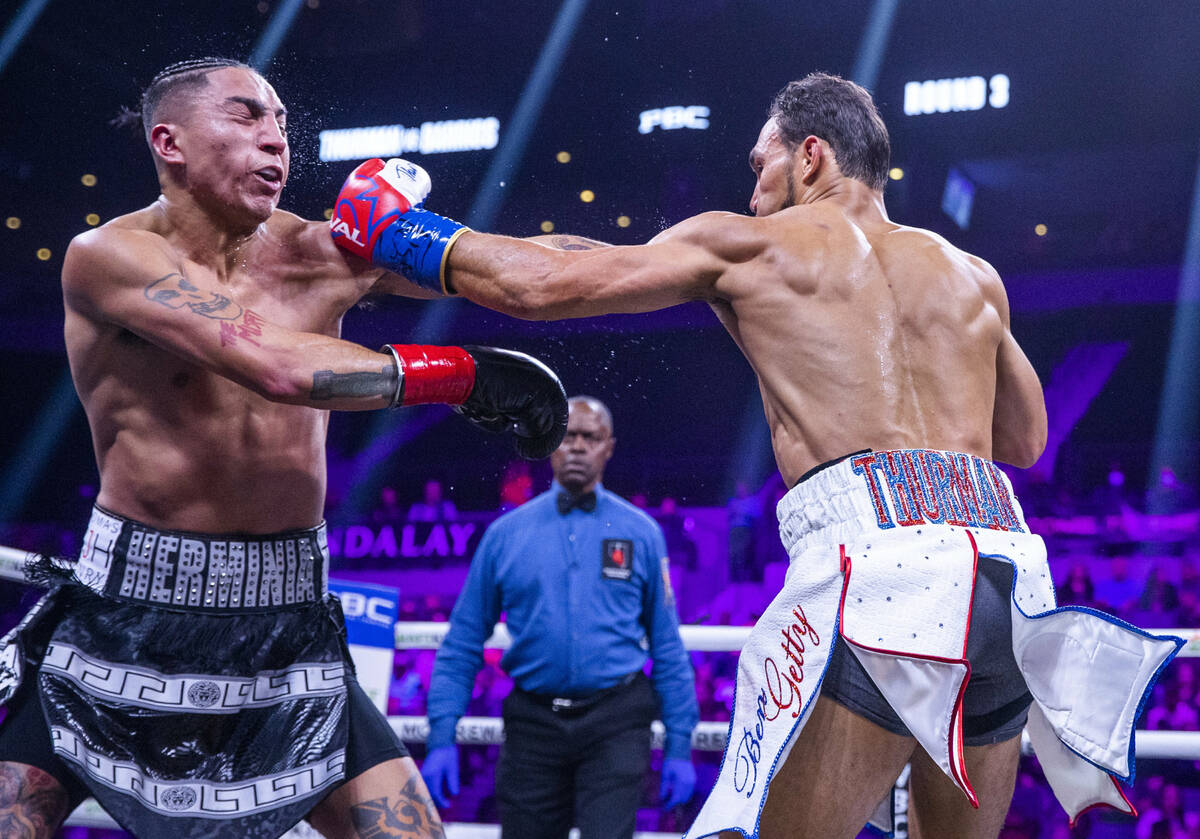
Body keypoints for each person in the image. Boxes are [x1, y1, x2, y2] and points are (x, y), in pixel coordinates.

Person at [334, 73, 1185, 839]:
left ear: (811, 154)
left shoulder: (751, 245)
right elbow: (1027, 442)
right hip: (1007, 574)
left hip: (883, 575)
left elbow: (545, 286)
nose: (752, 189)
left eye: (761, 163)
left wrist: (401, 233)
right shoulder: (971, 272)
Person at [0, 57, 567, 839]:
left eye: (281, 123)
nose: (276, 140)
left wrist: (702, 263)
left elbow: (531, 271)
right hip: (122, 618)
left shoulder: (320, 253)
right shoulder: (107, 256)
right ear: (170, 142)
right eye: (246, 117)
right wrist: (461, 375)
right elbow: (277, 364)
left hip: (288, 623)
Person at [420, 396, 699, 839]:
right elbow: (463, 642)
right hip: (533, 723)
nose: (578, 447)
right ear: (550, 444)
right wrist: (441, 737)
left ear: (609, 447)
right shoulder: (505, 536)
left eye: (590, 437)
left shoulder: (641, 534)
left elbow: (666, 645)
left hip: (617, 720)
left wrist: (680, 747)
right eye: (568, 436)